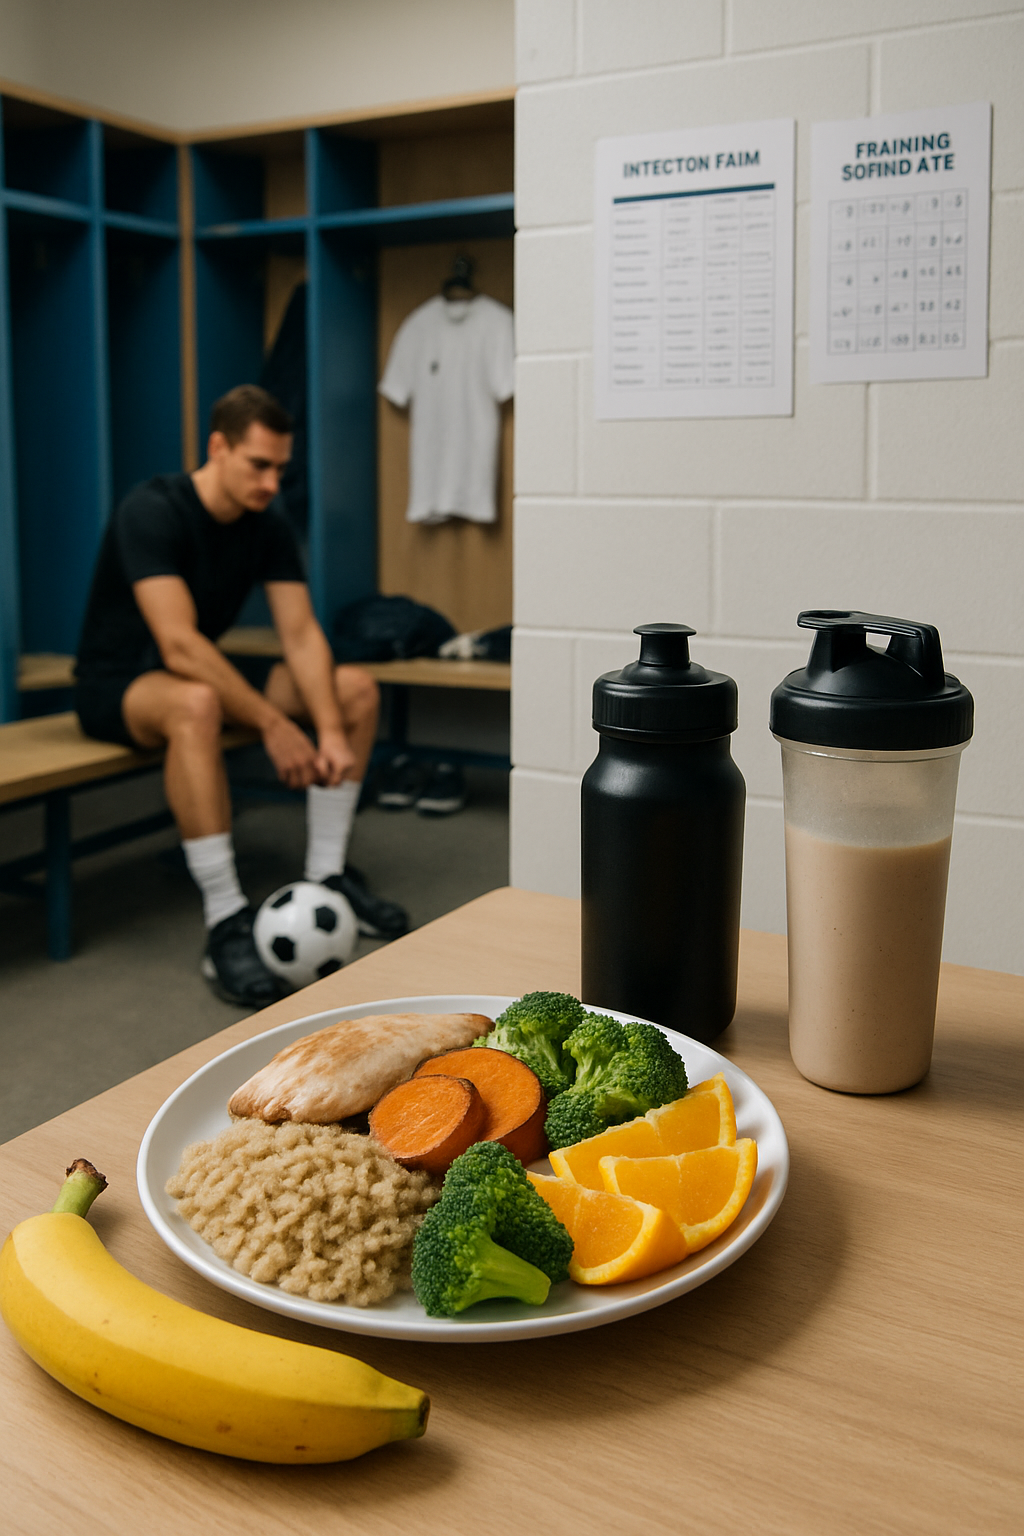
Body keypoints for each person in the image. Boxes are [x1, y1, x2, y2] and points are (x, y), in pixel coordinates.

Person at [74, 384, 408, 1007]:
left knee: (353, 690)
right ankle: (226, 918)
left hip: (203, 674)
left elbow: (302, 633)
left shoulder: (266, 524)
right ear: (218, 447)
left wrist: (329, 730)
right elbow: (178, 645)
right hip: (116, 684)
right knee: (195, 703)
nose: (271, 482)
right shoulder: (151, 510)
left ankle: (327, 873)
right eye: (259, 465)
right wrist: (274, 726)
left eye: (281, 468)